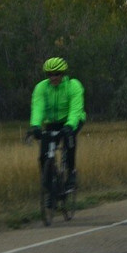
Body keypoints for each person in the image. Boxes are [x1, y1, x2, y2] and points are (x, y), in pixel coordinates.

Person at [28, 56, 85, 191]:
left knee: (68, 140)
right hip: (52, 122)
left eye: (56, 74)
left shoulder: (73, 86)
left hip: (71, 120)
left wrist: (70, 125)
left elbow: (76, 109)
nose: (53, 77)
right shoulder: (41, 88)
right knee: (43, 155)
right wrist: (35, 125)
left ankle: (71, 173)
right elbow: (38, 107)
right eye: (49, 74)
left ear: (63, 74)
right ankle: (49, 189)